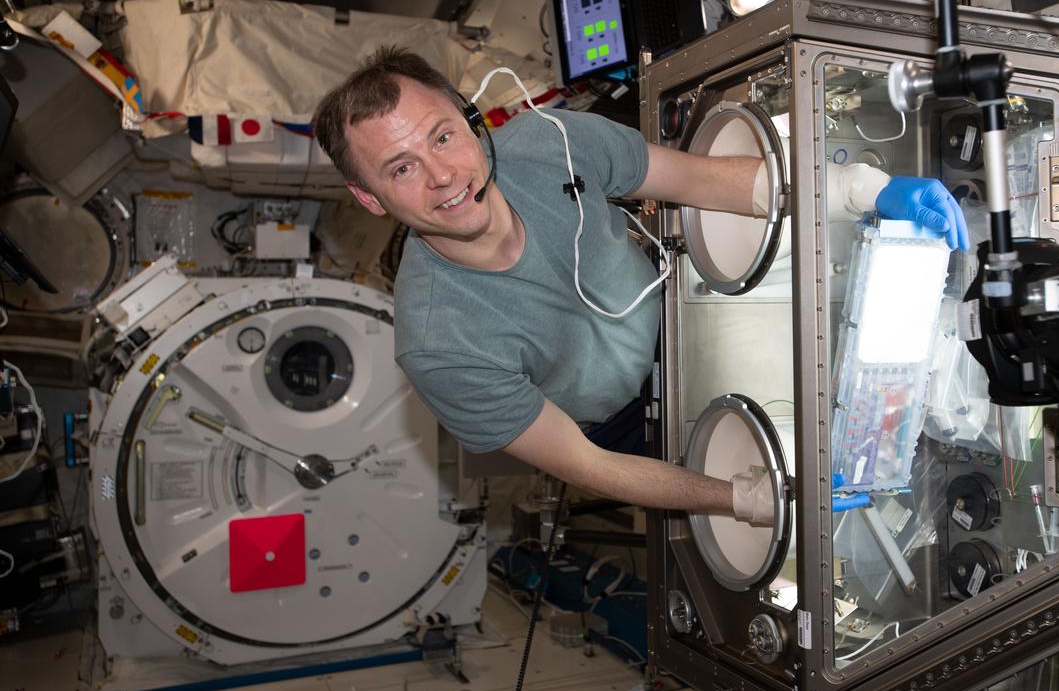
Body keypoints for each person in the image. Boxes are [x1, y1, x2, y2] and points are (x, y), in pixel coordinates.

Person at [313, 46, 968, 526]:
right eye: (401, 169)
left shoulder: (549, 142)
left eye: (443, 137)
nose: (442, 176)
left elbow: (698, 180)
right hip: (627, 428)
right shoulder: (438, 344)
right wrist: (742, 497)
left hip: (687, 316)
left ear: (470, 120)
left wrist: (853, 187)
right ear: (369, 198)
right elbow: (589, 466)